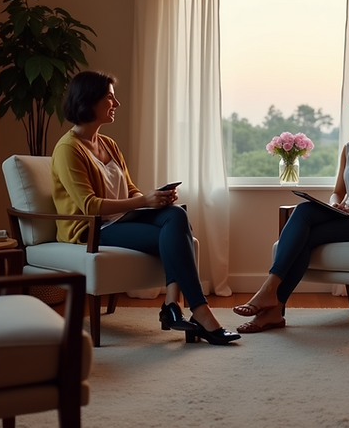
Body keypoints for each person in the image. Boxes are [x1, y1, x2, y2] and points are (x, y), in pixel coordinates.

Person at [52, 70, 239, 345]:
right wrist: (144, 201)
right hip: (93, 229)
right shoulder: (68, 149)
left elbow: (130, 190)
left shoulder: (108, 144)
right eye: (110, 98)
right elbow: (90, 206)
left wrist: (157, 200)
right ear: (89, 100)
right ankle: (195, 310)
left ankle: (174, 305)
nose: (116, 104)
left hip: (123, 219)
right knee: (176, 236)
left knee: (176, 213)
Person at [233, 80, 349, 333]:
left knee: (307, 232)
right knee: (304, 212)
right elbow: (338, 192)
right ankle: (273, 307)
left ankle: (270, 295)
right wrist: (335, 205)